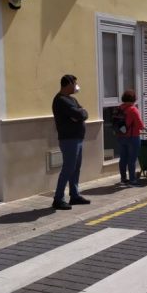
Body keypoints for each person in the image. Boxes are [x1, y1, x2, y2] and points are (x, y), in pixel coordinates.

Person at [52, 74, 90, 210]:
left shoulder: (72, 100)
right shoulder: (61, 101)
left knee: (75, 168)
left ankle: (74, 195)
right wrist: (79, 114)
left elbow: (84, 113)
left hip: (78, 138)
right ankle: (58, 199)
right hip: (69, 140)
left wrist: (80, 114)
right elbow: (80, 114)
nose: (76, 87)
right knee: (68, 168)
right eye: (74, 84)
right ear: (68, 84)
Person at [116, 89, 146, 186]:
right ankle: (132, 180)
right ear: (134, 98)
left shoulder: (119, 108)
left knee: (123, 159)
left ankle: (123, 179)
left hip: (121, 136)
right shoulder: (133, 109)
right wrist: (143, 127)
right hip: (132, 137)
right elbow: (140, 125)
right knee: (132, 160)